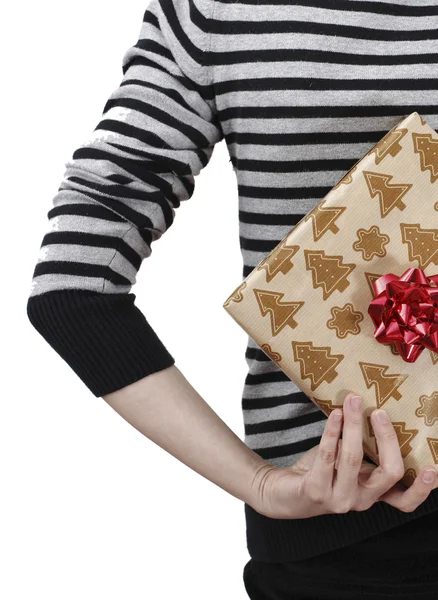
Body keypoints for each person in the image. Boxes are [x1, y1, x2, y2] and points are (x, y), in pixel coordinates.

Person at [26, 0, 438, 597]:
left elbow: (75, 285)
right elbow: (73, 286)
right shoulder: (215, 12)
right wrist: (261, 485)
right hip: (356, 537)